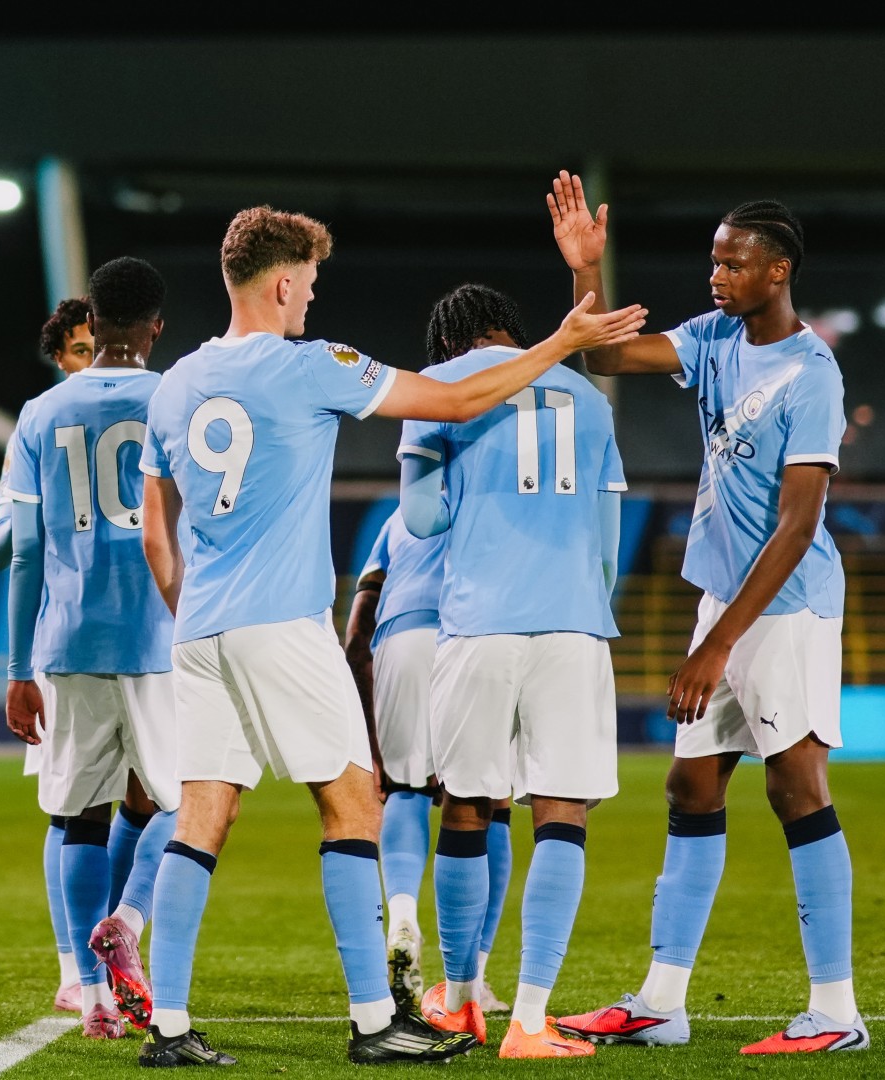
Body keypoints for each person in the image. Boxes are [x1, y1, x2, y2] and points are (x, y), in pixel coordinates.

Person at [137, 207, 646, 1066]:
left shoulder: (176, 383)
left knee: (202, 815)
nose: (313, 297)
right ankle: (376, 1020)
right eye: (312, 282)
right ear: (284, 281)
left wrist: (193, 603)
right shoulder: (312, 365)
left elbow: (157, 529)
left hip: (200, 629)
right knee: (355, 804)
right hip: (283, 622)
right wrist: (559, 345)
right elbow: (453, 397)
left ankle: (171, 1025)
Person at [545, 173, 865, 1055]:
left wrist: (717, 645)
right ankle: (662, 1001)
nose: (716, 275)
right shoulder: (715, 336)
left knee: (796, 786)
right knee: (691, 784)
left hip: (786, 606)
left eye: (734, 263)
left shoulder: (813, 376)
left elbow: (800, 527)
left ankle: (837, 1012)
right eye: (713, 260)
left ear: (779, 270)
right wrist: (585, 273)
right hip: (725, 599)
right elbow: (604, 357)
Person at [400, 284, 626, 1059]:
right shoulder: (590, 400)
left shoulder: (444, 390)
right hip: (572, 623)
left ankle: (461, 1002)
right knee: (562, 814)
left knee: (466, 807)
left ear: (449, 344)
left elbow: (422, 518)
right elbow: (607, 544)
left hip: (478, 623)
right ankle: (529, 1020)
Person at [2, 259, 182, 1039]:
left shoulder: (41, 413)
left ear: (94, 322)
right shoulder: (177, 400)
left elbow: (24, 550)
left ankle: (92, 993)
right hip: (165, 634)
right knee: (184, 802)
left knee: (78, 815)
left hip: (69, 637)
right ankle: (131, 923)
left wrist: (18, 670)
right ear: (155, 327)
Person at [344, 509, 515, 1017]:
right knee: (490, 798)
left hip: (401, 638)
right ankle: (474, 978)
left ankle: (400, 916)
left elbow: (356, 636)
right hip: (473, 631)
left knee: (404, 790)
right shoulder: (489, 498)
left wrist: (374, 749)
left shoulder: (400, 518)